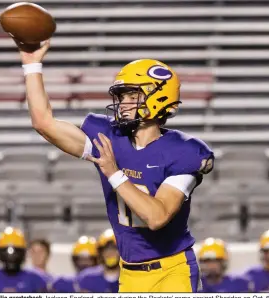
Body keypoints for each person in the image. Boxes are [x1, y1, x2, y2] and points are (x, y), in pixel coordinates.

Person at [17, 37, 214, 293]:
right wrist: (32, 66)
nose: (122, 103)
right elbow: (43, 123)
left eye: (132, 95)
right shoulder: (110, 138)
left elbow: (157, 217)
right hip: (129, 272)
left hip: (172, 270)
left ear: (159, 98)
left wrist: (114, 173)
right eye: (121, 96)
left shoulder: (183, 151)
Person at [0, 227, 47, 292]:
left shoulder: (36, 279)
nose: (11, 257)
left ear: (23, 253)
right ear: (0, 253)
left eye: (16, 252)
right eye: (6, 252)